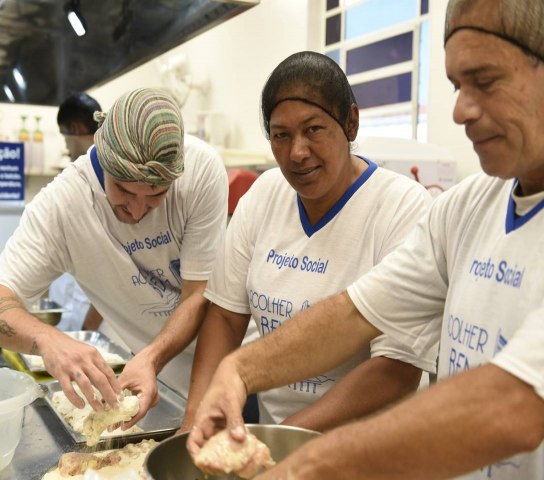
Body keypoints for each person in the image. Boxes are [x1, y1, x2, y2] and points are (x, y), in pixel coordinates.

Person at [187, 1, 544, 478]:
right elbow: (358, 312)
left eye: (486, 81)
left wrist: (304, 460)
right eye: (457, 85)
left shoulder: (404, 205)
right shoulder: (469, 207)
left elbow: (514, 405)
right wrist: (239, 372)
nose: (460, 110)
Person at [180, 51, 436, 434]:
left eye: (313, 129)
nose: (297, 153)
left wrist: (281, 443)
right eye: (281, 135)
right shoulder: (265, 194)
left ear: (350, 122)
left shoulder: (402, 207)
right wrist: (193, 422)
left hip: (362, 453)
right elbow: (225, 317)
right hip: (271, 443)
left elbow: (396, 371)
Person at [0, 88, 228, 423]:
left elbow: (198, 296)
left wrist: (151, 358)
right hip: (157, 385)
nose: (137, 210)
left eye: (156, 195)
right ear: (102, 158)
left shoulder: (201, 170)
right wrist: (49, 341)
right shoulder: (62, 206)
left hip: (222, 365)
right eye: (123, 190)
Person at [50, 92, 103, 331]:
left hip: (92, 325)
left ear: (73, 128)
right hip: (67, 318)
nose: (67, 148)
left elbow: (115, 279)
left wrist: (86, 335)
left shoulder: (110, 181)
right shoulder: (74, 178)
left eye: (64, 139)